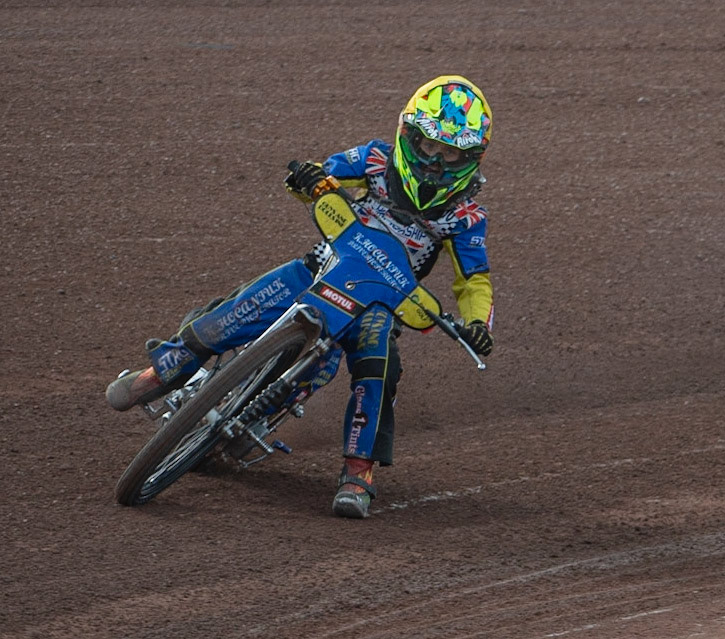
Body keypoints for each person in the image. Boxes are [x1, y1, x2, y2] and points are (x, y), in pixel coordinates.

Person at [106, 75, 497, 519]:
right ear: (408, 136)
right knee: (239, 309)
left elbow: (474, 281)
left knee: (379, 367)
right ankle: (158, 374)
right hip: (322, 265)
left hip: (377, 306)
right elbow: (317, 175)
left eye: (450, 154)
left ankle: (358, 471)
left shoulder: (467, 217)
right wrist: (309, 177)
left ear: (471, 158)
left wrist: (477, 325)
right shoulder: (373, 160)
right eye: (428, 147)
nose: (434, 162)